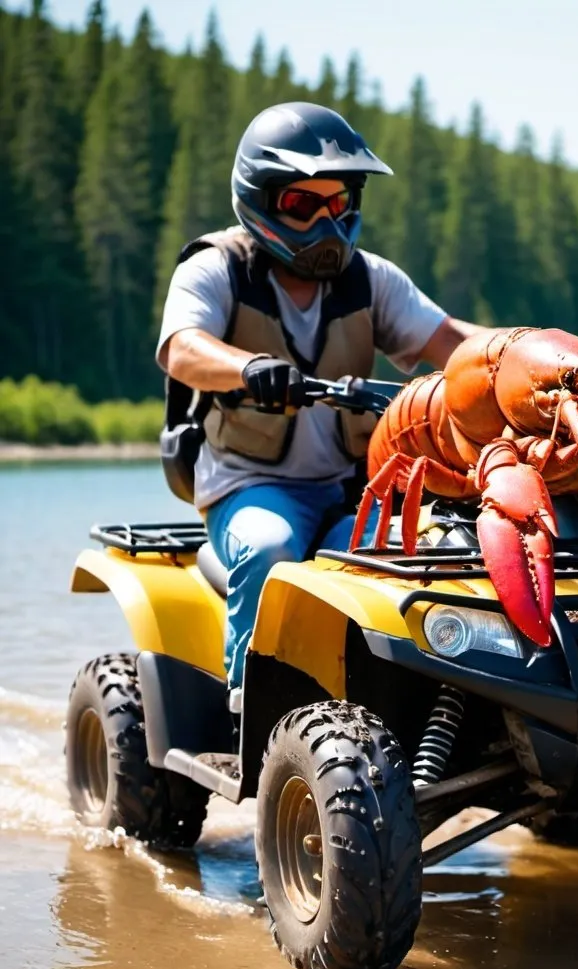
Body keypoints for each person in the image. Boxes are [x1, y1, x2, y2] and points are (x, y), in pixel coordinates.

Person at [157, 101, 486, 695]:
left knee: (426, 556)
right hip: (248, 487)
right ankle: (247, 707)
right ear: (260, 198)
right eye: (303, 206)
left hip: (347, 495)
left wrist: (523, 355)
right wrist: (249, 367)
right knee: (271, 545)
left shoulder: (371, 279)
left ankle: (402, 705)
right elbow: (182, 348)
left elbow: (452, 341)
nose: (327, 224)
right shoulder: (216, 268)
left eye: (339, 204)